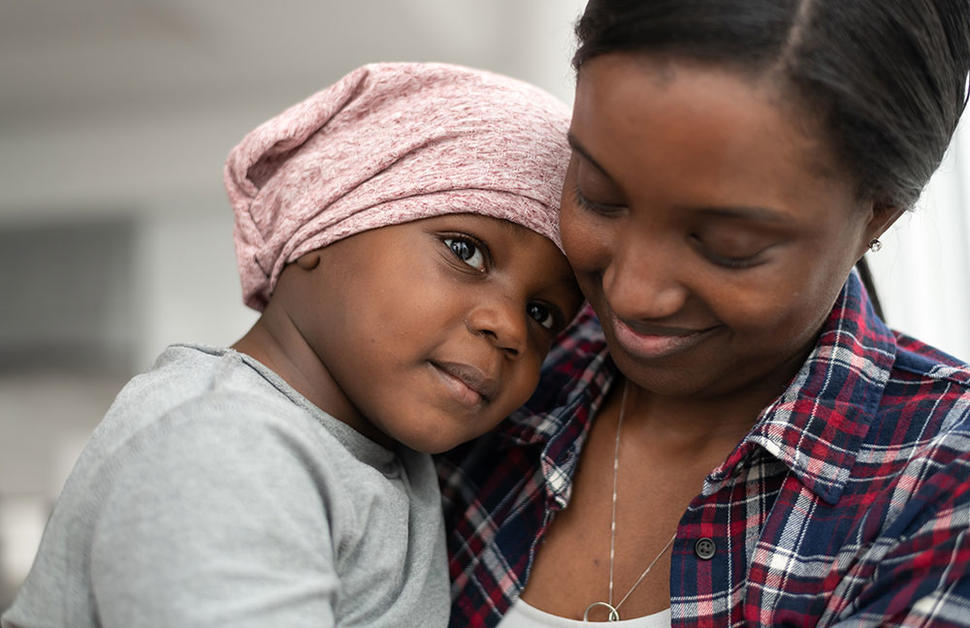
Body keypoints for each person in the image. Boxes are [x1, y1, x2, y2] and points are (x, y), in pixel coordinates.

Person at [439, 1, 970, 626]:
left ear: (878, 213)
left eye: (728, 246)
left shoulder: (941, 490)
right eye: (599, 196)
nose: (633, 295)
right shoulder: (495, 355)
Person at [2, 62, 582, 628]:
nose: (509, 328)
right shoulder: (225, 447)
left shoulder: (388, 463)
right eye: (465, 250)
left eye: (543, 314)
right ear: (324, 222)